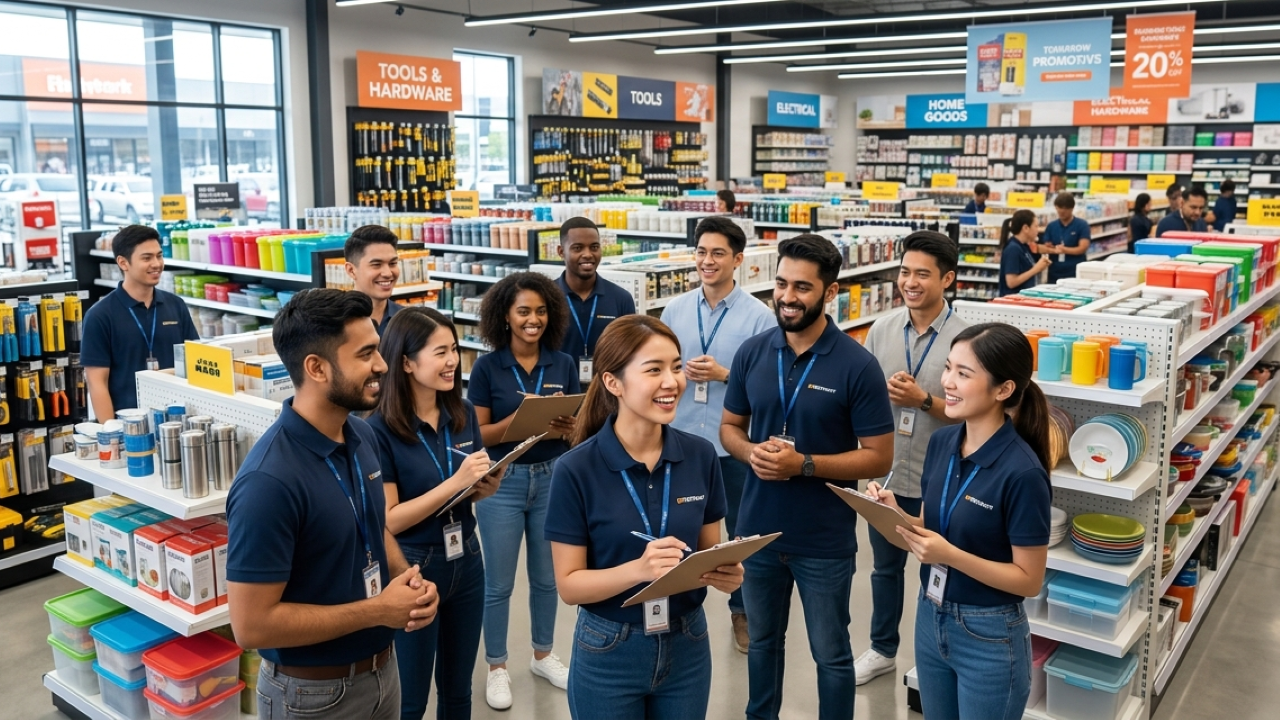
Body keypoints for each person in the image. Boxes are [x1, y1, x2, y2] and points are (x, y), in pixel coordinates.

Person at [226, 289, 439, 720]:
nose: (382, 365)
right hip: (310, 695)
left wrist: (407, 579)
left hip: (383, 671)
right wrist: (378, 610)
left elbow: (373, 523)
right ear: (317, 368)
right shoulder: (268, 482)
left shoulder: (361, 435)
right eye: (365, 354)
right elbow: (251, 626)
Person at [721, 234, 895, 720]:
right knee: (762, 643)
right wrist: (750, 452)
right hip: (756, 532)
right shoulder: (752, 352)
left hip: (823, 539)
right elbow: (730, 428)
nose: (787, 296)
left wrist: (805, 465)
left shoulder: (857, 365)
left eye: (802, 287)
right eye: (781, 284)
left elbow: (879, 457)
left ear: (830, 291)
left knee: (830, 653)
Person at [545, 315, 742, 719]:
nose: (671, 382)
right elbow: (569, 585)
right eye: (653, 370)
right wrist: (639, 570)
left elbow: (707, 552)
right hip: (609, 648)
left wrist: (725, 573)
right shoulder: (575, 469)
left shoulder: (701, 455)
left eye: (676, 367)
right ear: (613, 383)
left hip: (688, 641)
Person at [867, 322, 1051, 720]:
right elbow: (928, 528)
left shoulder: (1023, 473)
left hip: (989, 633)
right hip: (930, 615)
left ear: (1003, 390)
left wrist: (949, 555)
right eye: (949, 367)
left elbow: (1028, 580)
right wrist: (892, 511)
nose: (947, 382)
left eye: (963, 374)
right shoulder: (942, 443)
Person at [368, 307, 502, 720]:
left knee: (459, 690)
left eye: (454, 349)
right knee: (411, 698)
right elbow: (390, 519)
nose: (452, 361)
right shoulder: (378, 428)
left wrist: (483, 488)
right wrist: (456, 482)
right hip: (414, 567)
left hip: (468, 558)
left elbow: (465, 489)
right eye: (440, 352)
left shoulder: (462, 413)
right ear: (406, 362)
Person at [856, 231, 969, 685]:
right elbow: (860, 400)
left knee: (939, 570)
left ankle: (936, 653)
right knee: (884, 569)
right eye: (905, 272)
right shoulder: (881, 330)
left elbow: (973, 413)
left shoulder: (967, 341)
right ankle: (882, 649)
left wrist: (923, 400)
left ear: (948, 279)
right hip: (885, 477)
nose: (910, 282)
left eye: (923, 274)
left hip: (939, 480)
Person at [660, 216, 775, 653]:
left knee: (741, 533)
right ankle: (672, 604)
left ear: (738, 260)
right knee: (675, 527)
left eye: (718, 253)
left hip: (732, 446)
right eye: (702, 252)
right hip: (680, 441)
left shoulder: (759, 317)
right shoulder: (674, 310)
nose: (707, 261)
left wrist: (726, 375)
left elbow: (768, 385)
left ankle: (741, 611)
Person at [468, 272, 580, 709]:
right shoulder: (487, 367)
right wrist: (520, 423)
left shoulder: (563, 363)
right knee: (498, 583)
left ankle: (543, 655)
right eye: (523, 312)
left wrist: (567, 427)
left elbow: (574, 429)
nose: (533, 319)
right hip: (502, 482)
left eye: (541, 311)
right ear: (505, 317)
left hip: (552, 478)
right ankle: (497, 666)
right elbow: (478, 433)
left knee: (547, 578)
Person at [82, 224, 200, 420]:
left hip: (176, 420)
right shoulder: (100, 316)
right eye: (147, 258)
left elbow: (193, 360)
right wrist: (111, 430)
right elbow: (97, 383)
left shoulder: (175, 305)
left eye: (159, 256)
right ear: (123, 263)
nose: (156, 264)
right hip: (128, 423)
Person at [554, 217, 637, 381]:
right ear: (561, 252)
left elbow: (630, 354)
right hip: (558, 391)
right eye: (577, 248)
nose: (587, 254)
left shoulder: (621, 299)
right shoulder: (546, 298)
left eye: (594, 247)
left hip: (606, 390)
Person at [345, 224, 403, 334]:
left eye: (392, 263)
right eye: (376, 264)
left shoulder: (408, 321)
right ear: (351, 270)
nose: (387, 273)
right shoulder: (334, 324)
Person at [998, 210, 1051, 297]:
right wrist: (1036, 269)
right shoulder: (1013, 249)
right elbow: (1011, 282)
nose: (1038, 230)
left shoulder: (1024, 246)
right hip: (1013, 301)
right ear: (1026, 228)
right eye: (1036, 226)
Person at [1042, 193, 1091, 283]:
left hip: (1075, 272)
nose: (1061, 211)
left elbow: (1082, 248)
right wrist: (1049, 248)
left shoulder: (1082, 225)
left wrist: (1064, 250)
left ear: (1072, 208)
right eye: (1059, 208)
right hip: (1054, 273)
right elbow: (1045, 247)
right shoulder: (1051, 226)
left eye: (1065, 208)